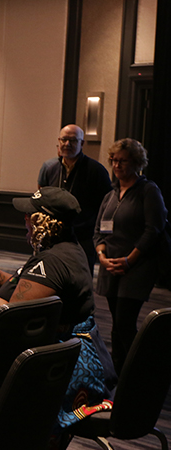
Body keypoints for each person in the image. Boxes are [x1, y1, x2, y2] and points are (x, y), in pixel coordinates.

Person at [0, 186, 116, 448]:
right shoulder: (67, 249)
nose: (25, 220)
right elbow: (23, 285)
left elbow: (9, 316)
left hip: (58, 369)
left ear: (45, 222)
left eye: (29, 216)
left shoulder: (53, 262)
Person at [94, 138, 167, 374]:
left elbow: (152, 230)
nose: (117, 165)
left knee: (125, 323)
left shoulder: (148, 191)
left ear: (136, 163)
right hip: (110, 265)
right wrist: (102, 257)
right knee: (116, 325)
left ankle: (142, 369)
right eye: (114, 160)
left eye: (123, 161)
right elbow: (98, 232)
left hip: (136, 268)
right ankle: (120, 371)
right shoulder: (111, 194)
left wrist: (129, 260)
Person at [38, 124, 111, 274]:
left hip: (83, 238)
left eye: (72, 140)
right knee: (54, 276)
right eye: (64, 140)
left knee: (80, 277)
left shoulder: (96, 170)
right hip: (55, 237)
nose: (67, 144)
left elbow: (106, 206)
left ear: (82, 143)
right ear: (58, 141)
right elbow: (42, 199)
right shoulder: (51, 168)